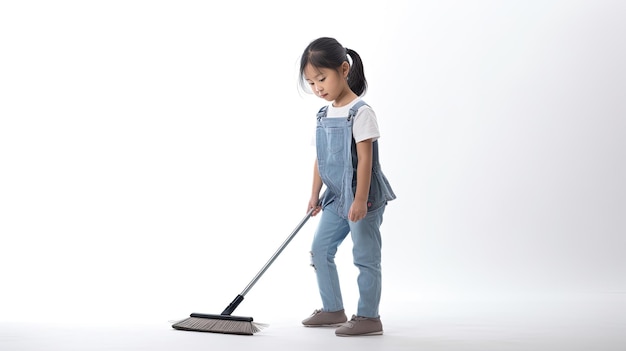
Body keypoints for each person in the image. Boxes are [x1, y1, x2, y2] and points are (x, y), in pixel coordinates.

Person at [298, 37, 396, 337]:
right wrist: (314, 195)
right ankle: (333, 310)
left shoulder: (361, 112)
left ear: (344, 69)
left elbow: (366, 160)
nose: (318, 88)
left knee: (365, 256)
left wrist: (360, 200)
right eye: (311, 83)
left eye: (322, 78)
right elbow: (321, 158)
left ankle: (369, 317)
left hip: (362, 198)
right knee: (320, 249)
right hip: (336, 197)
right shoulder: (324, 114)